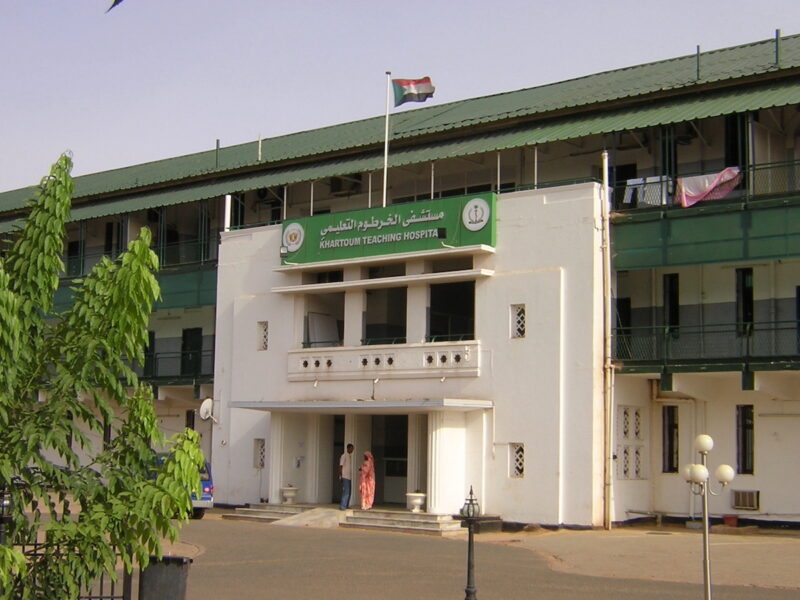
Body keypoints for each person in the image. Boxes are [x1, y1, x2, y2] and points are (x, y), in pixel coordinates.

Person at [338, 443, 354, 510]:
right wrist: (340, 475)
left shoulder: (349, 456)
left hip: (349, 477)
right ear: (348, 448)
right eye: (351, 448)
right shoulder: (344, 456)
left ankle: (346, 505)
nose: (352, 450)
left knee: (349, 492)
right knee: (346, 492)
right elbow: (340, 466)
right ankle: (342, 506)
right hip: (345, 476)